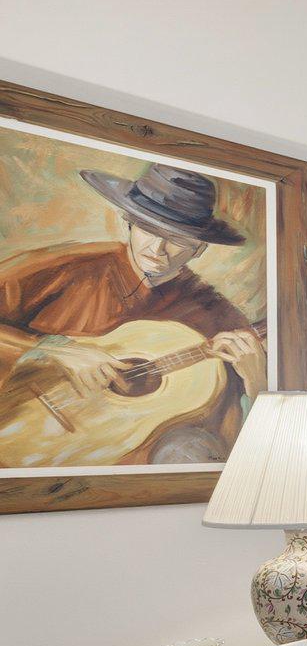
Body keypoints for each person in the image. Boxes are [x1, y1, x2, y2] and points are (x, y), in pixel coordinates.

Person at [0, 163, 267, 461]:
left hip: (127, 466)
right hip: (18, 418)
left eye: (177, 238)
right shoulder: (66, 270)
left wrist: (258, 381)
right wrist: (53, 349)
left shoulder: (217, 317)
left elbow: (237, 443)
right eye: (148, 228)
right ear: (129, 222)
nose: (158, 247)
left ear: (199, 249)